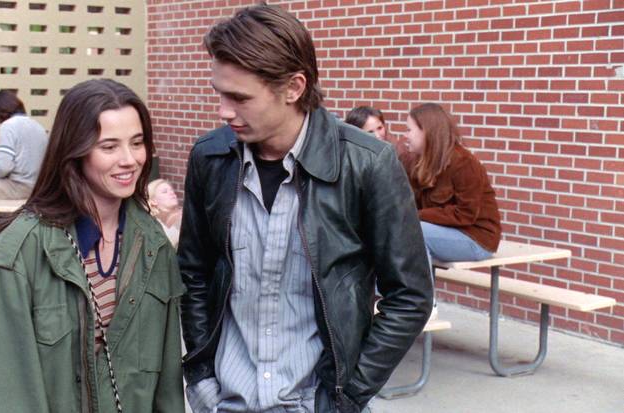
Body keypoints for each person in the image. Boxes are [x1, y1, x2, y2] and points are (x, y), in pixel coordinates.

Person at [179, 5, 433, 413]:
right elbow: (193, 273)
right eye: (219, 93)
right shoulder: (210, 158)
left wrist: (348, 396)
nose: (224, 110)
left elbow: (410, 296)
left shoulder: (367, 163)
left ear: (294, 87)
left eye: (240, 97)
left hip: (317, 402)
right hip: (225, 400)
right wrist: (202, 380)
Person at [0, 79, 185, 412]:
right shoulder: (17, 256)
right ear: (74, 151)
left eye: (137, 143)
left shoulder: (153, 243)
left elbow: (167, 386)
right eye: (109, 147)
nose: (129, 159)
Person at [403, 102, 502, 264]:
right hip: (440, 231)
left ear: (427, 132)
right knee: (395, 229)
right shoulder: (417, 162)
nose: (405, 135)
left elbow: (466, 214)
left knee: (414, 232)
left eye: (409, 130)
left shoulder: (463, 163)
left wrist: (417, 215)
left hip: (476, 238)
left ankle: (418, 282)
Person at [146, 178, 181, 248]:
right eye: (165, 192)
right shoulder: (150, 223)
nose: (172, 193)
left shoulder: (184, 216)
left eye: (172, 190)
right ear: (153, 201)